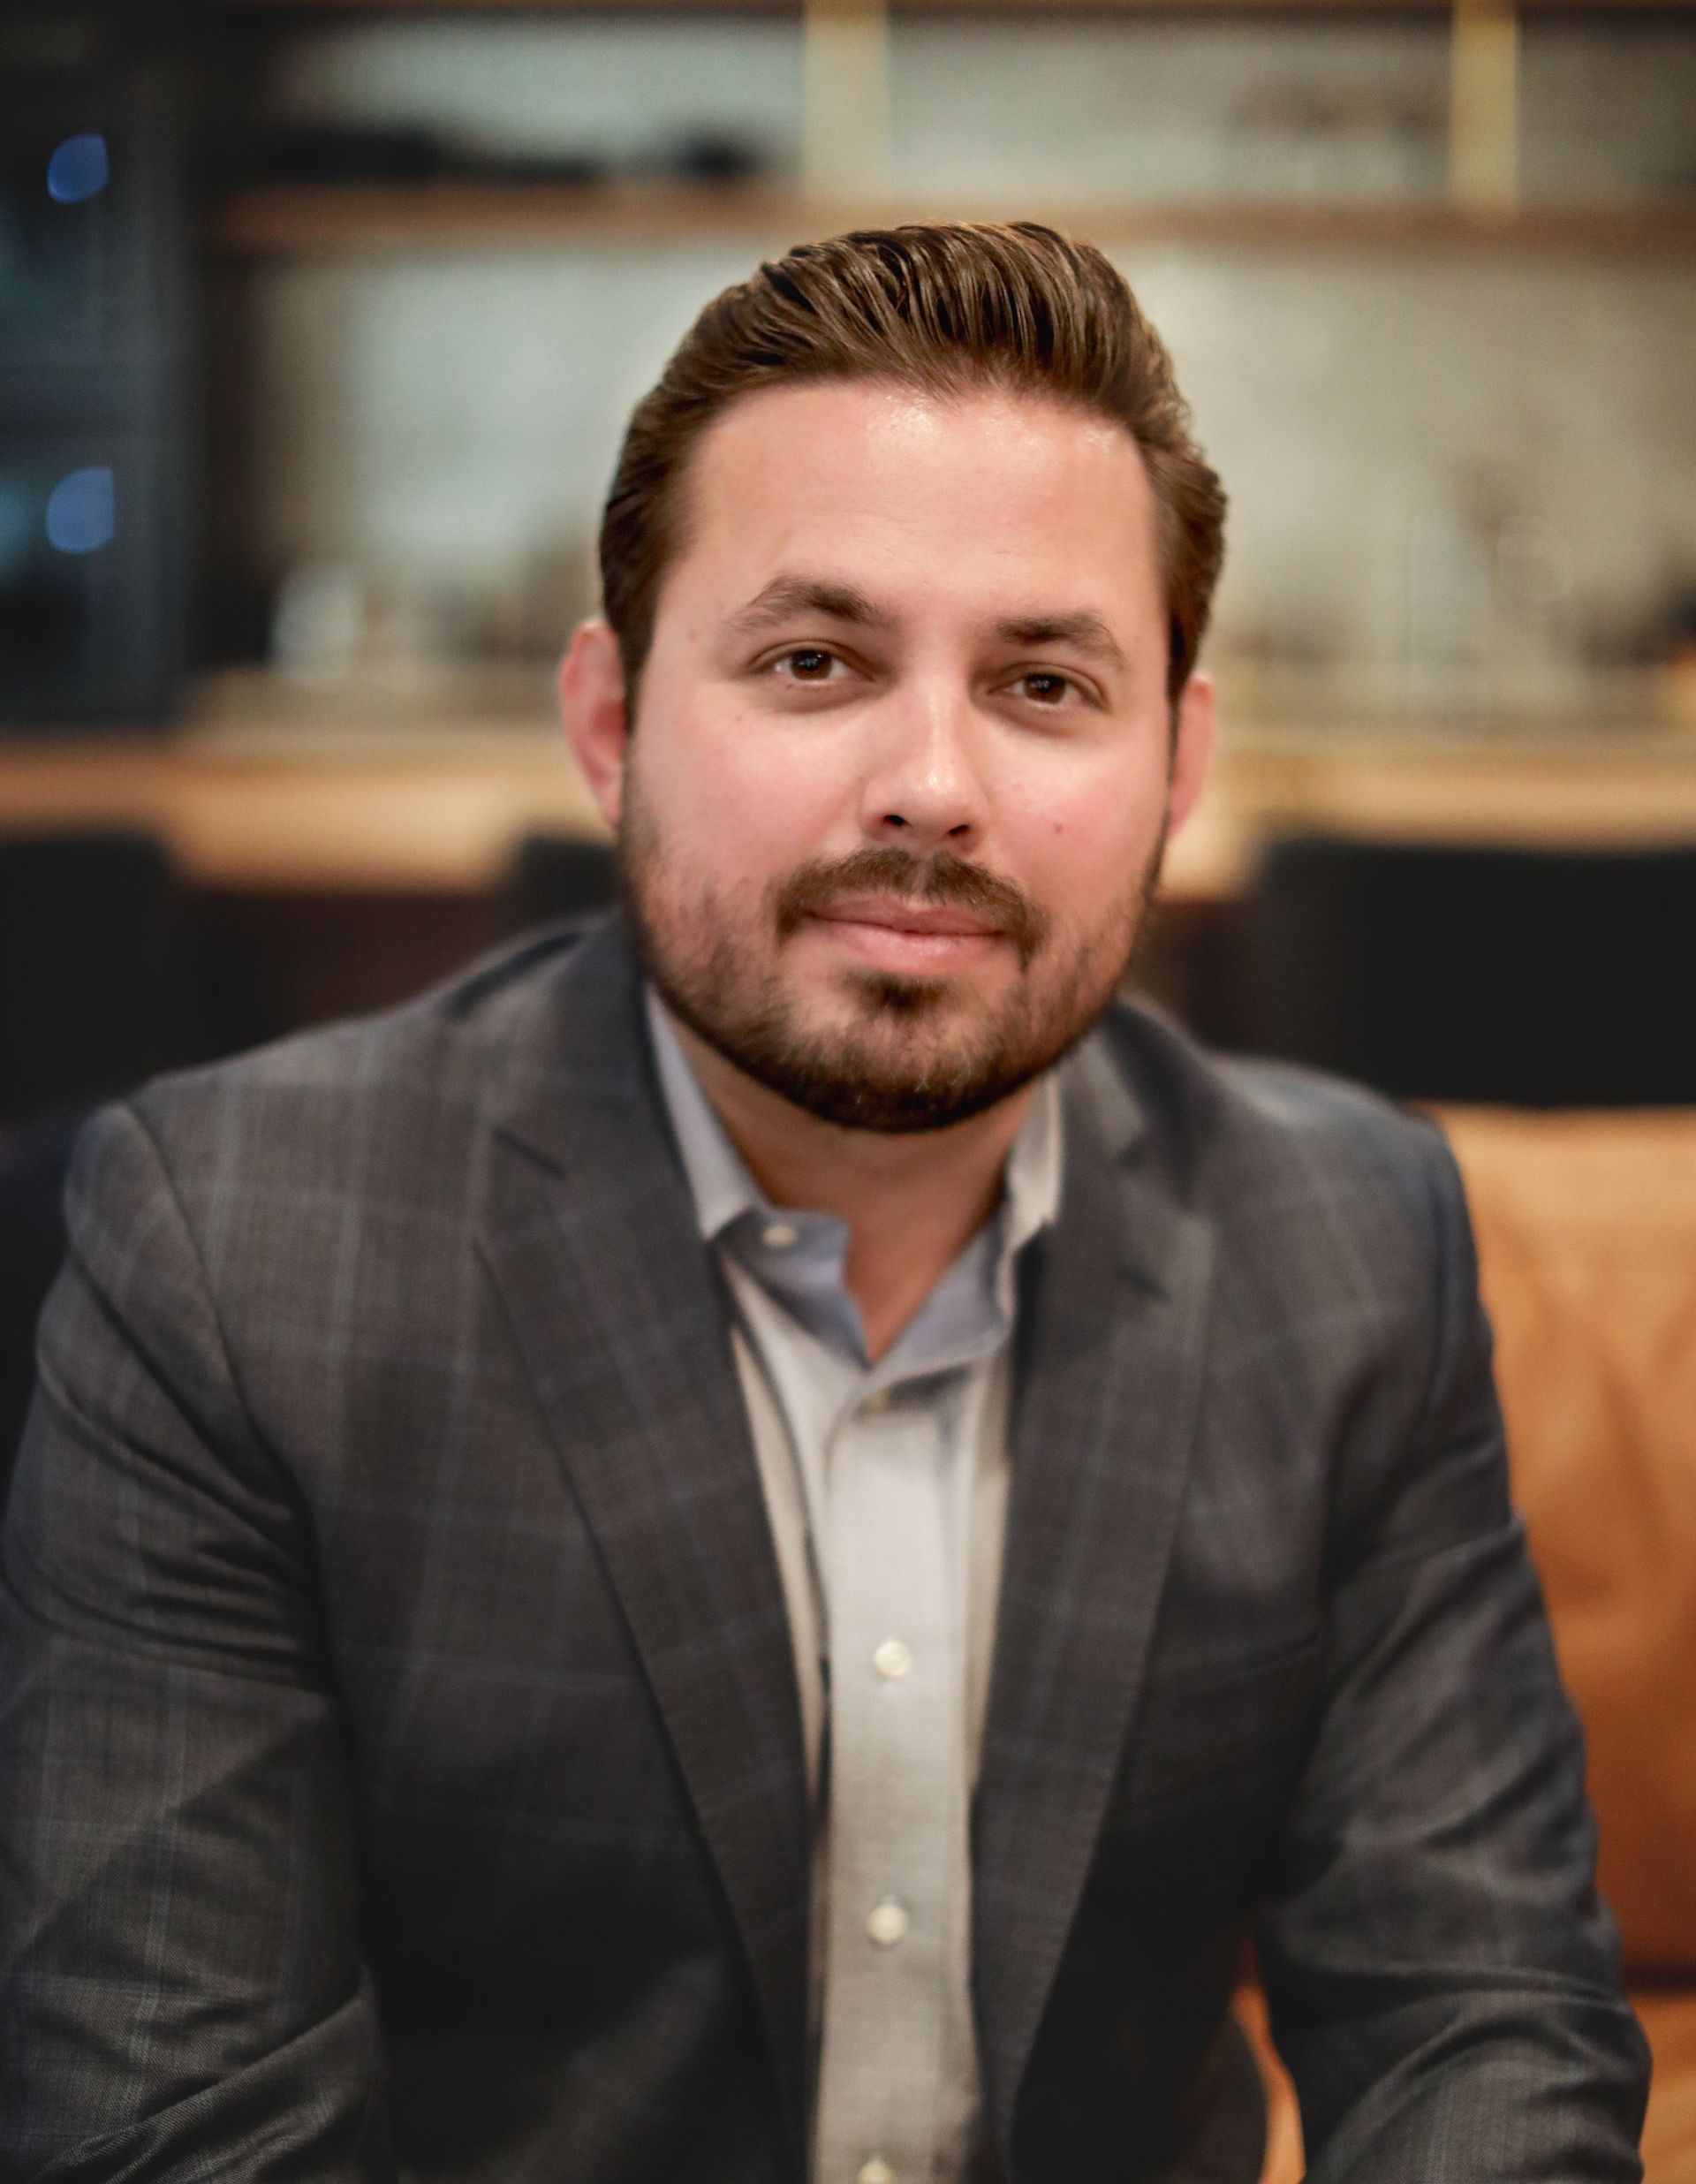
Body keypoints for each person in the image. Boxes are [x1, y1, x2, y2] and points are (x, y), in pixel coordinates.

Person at [0, 223, 1649, 2184]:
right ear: (610, 725)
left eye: (1045, 682)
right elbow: (174, 2127)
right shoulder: (234, 1249)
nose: (932, 785)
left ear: (1178, 764)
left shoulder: (1352, 1245)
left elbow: (1476, 2023)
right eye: (814, 661)